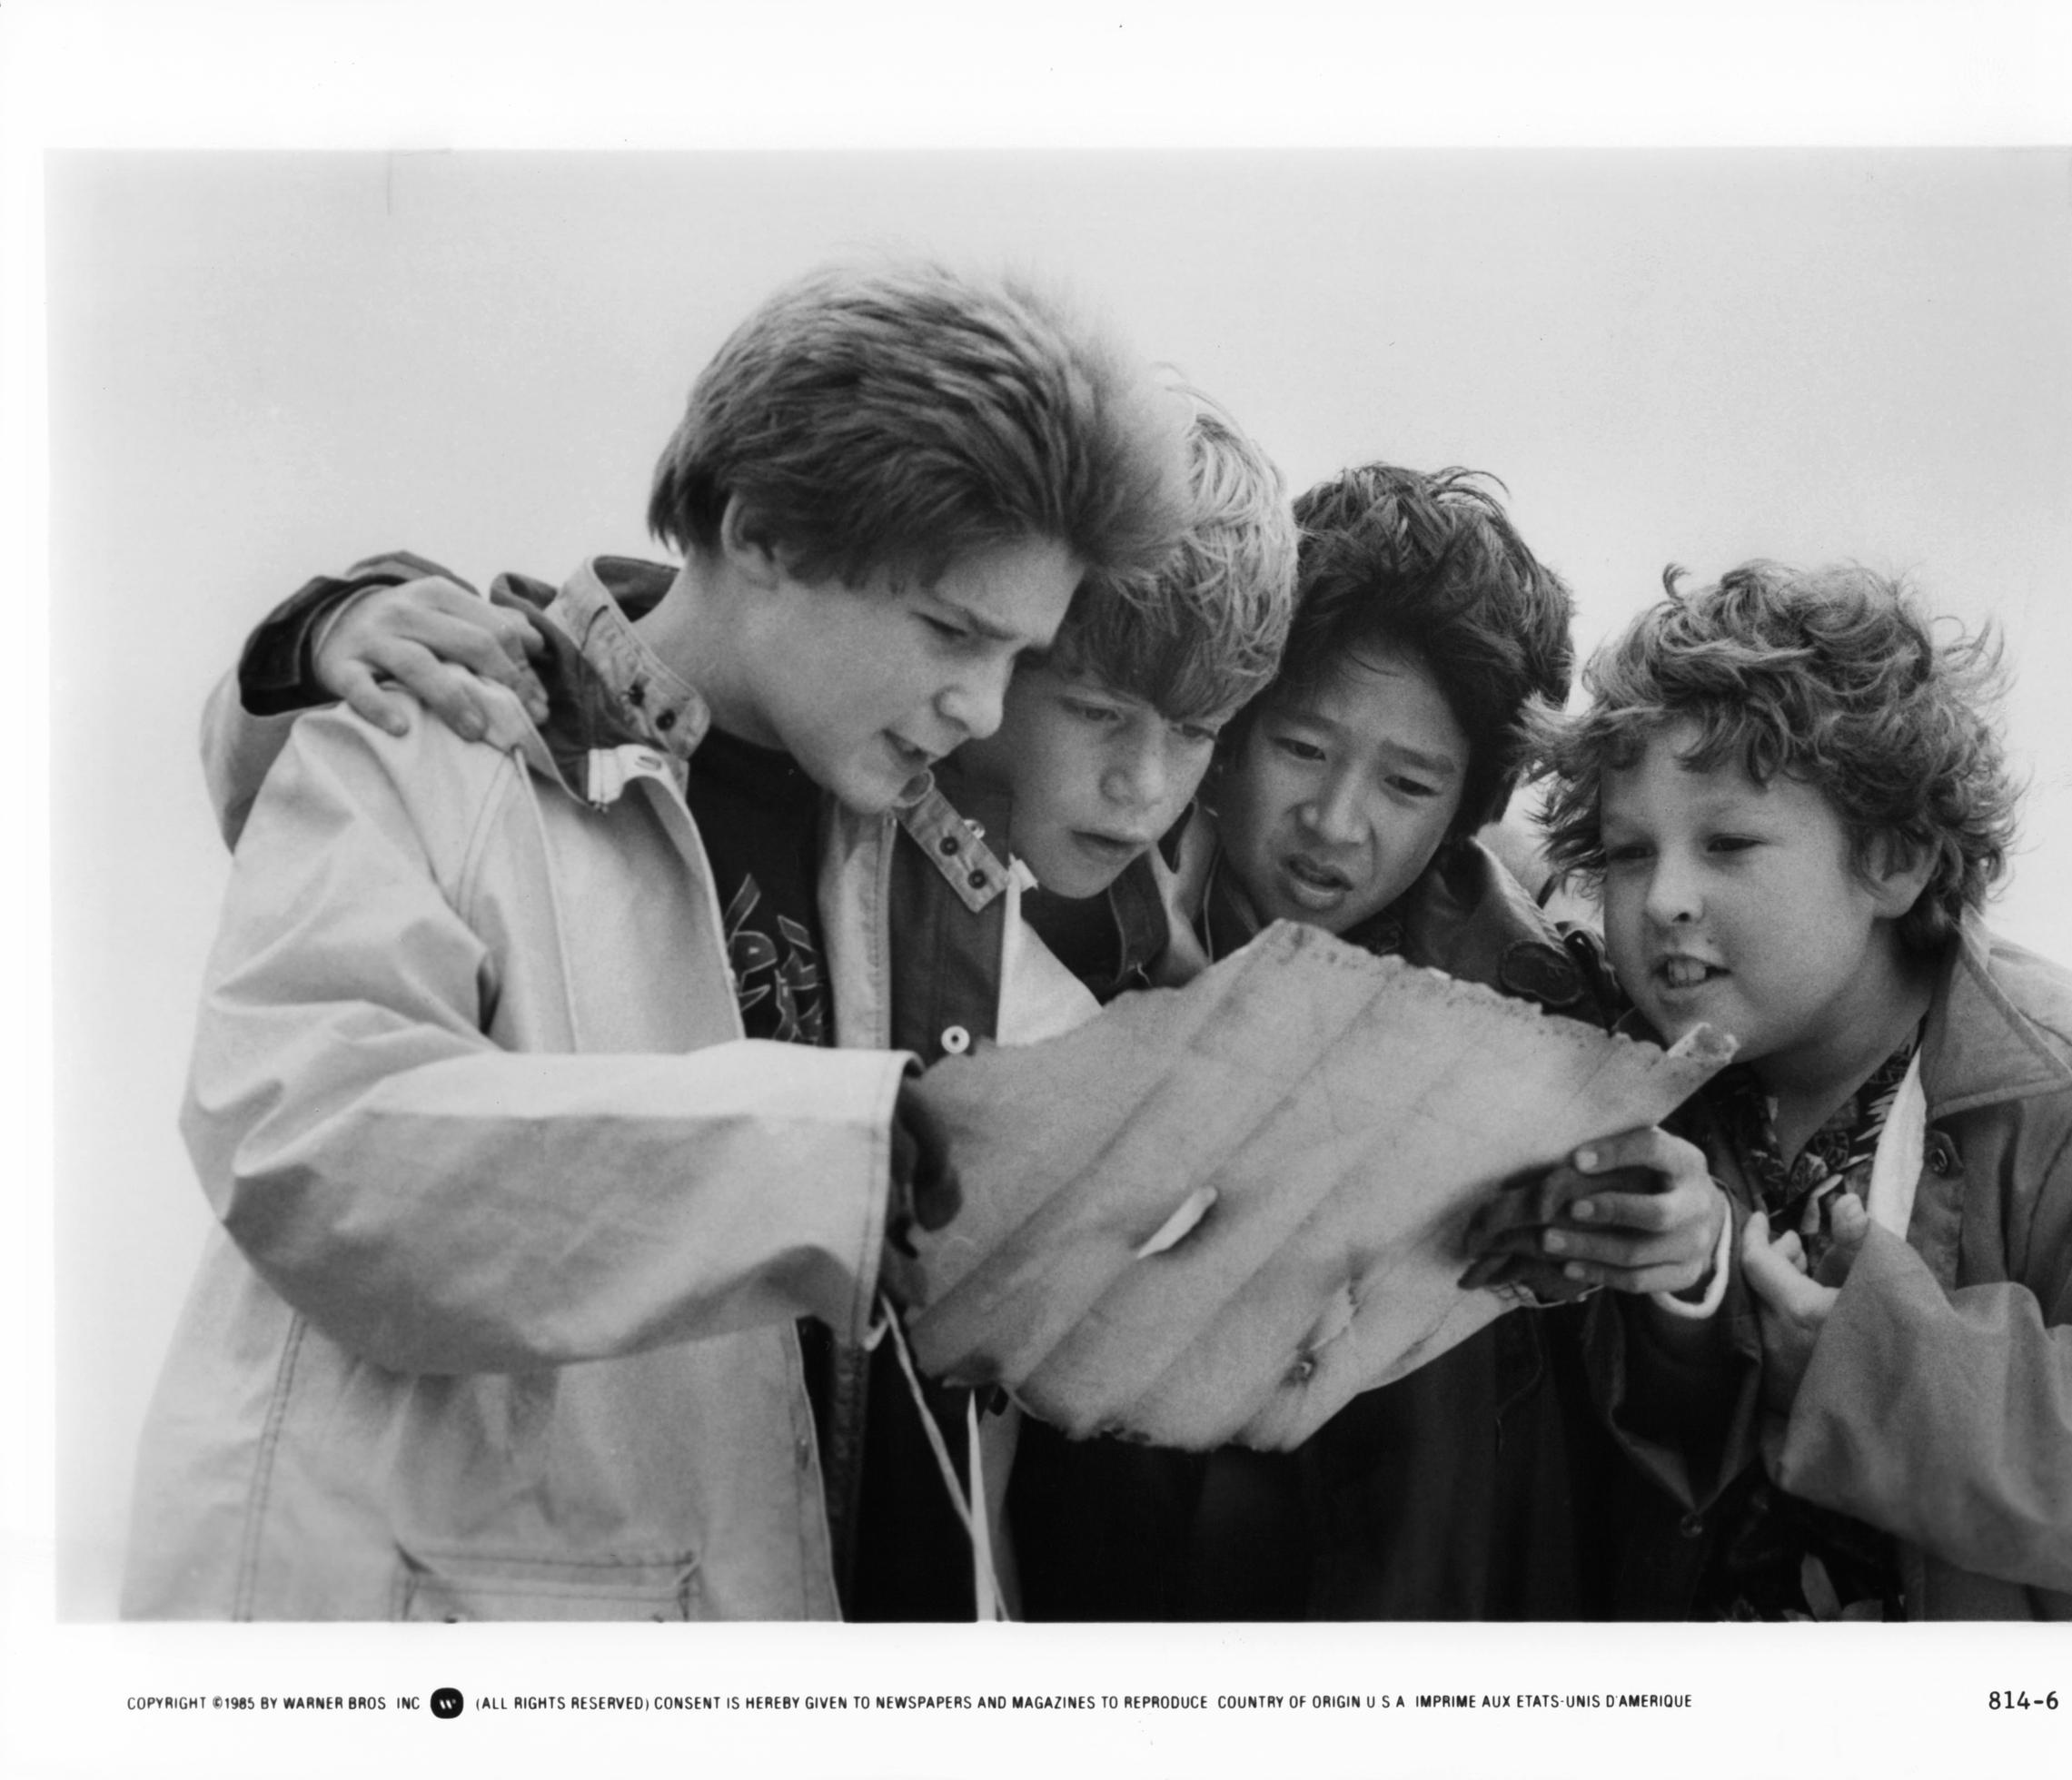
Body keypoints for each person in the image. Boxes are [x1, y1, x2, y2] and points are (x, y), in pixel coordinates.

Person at [123, 260, 1190, 1620]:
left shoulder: (940, 893)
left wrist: (1458, 1244)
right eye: (948, 631)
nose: (983, 707)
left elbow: (1135, 1226)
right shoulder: (434, 743)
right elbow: (314, 1151)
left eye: (1017, 658)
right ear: (761, 532)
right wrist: (821, 1156)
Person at [1008, 465, 1730, 1620]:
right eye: (1303, 748)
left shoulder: (1554, 1032)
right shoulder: (1060, 946)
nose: (1336, 825)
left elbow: (1648, 1452)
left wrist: (1685, 1262)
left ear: (1467, 810)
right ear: (1231, 727)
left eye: (1407, 782)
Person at [1527, 560, 2072, 1619]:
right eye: (1630, 853)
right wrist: (1687, 1299)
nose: (1665, 897)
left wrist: (1871, 1366)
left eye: (1728, 843)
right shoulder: (1634, 1086)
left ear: (1894, 860)